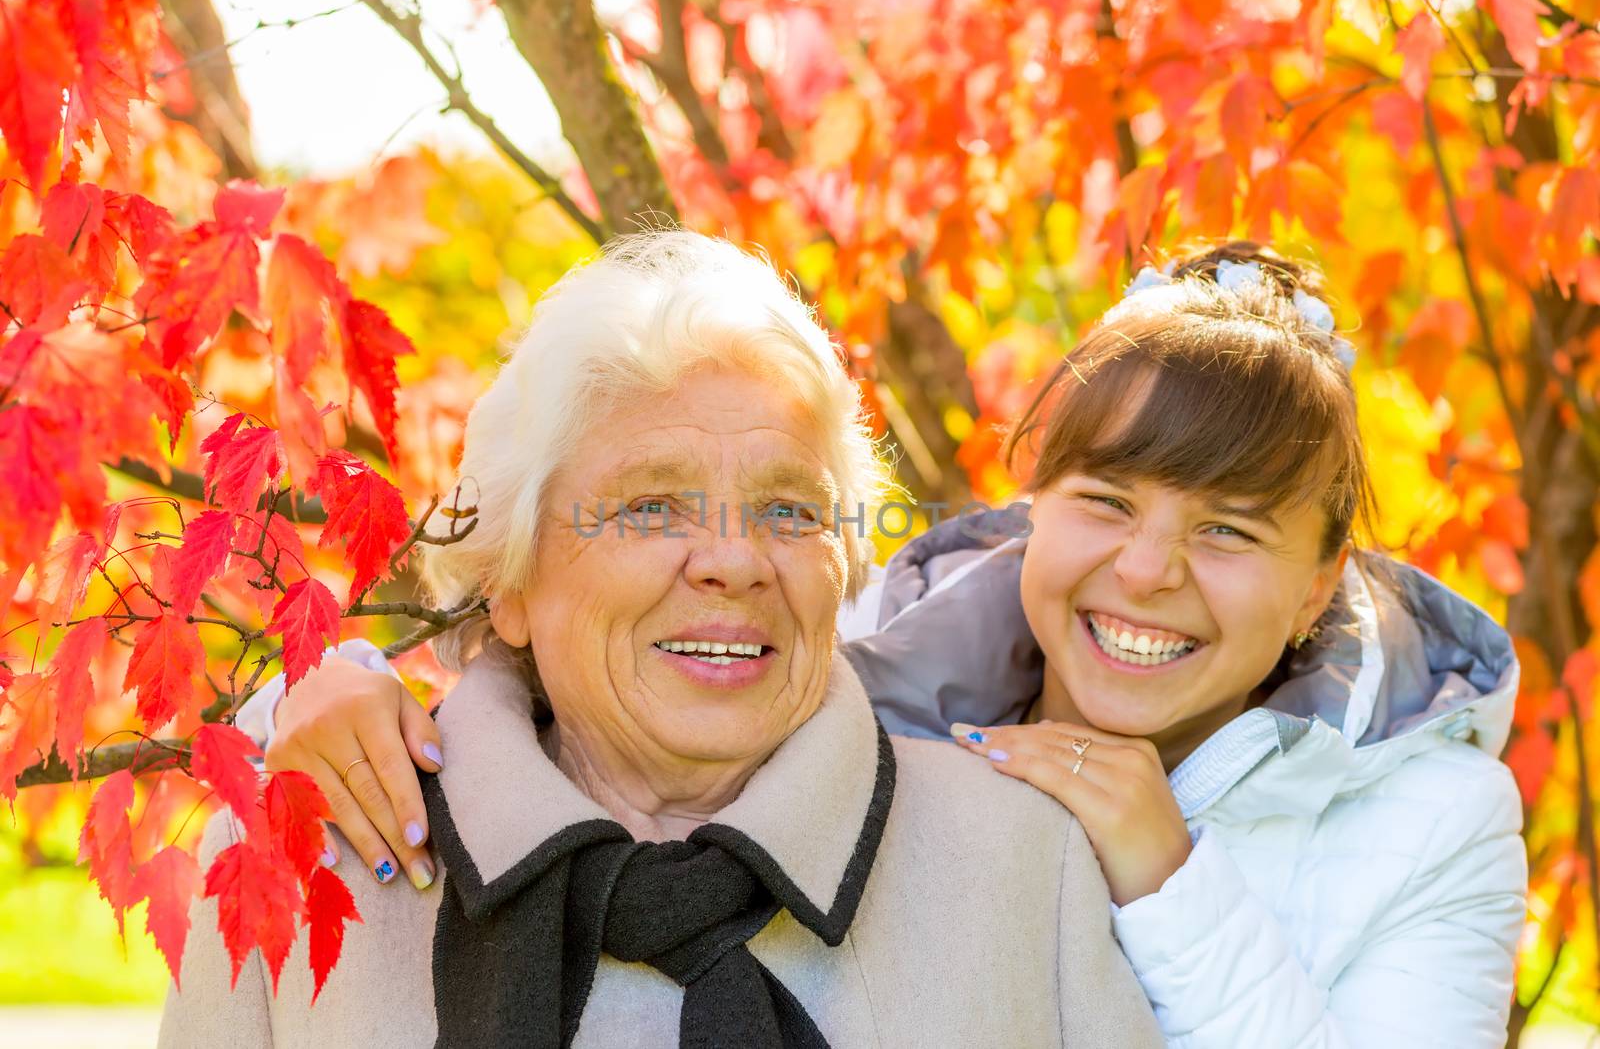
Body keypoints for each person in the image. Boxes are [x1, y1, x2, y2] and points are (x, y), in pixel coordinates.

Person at [248, 242, 1529, 1046]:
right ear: (1036, 509)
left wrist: (1168, 876)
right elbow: (612, 650)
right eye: (1105, 504)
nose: (1148, 571)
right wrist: (321, 690)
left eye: (1233, 529)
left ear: (1322, 587)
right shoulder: (866, 669)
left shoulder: (1433, 818)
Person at [159, 231, 1162, 1048]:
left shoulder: (1026, 866)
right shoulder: (299, 866)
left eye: (788, 510)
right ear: (507, 581)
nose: (734, 561)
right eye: (648, 508)